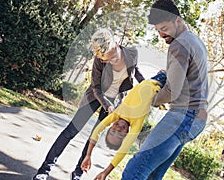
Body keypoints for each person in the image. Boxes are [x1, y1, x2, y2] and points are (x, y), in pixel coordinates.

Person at [32, 28, 145, 180]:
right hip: (95, 97)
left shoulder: (132, 54)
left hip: (115, 99)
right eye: (104, 60)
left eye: (109, 58)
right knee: (71, 131)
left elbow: (135, 71)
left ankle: (77, 174)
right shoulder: (99, 59)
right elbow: (96, 88)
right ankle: (43, 171)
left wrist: (147, 85)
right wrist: (107, 106)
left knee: (93, 137)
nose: (107, 61)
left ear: (116, 44)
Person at [121, 0, 209, 180]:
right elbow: (187, 77)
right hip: (195, 118)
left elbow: (171, 92)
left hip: (183, 116)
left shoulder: (179, 45)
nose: (161, 34)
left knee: (134, 171)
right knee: (153, 175)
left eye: (164, 28)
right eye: (158, 30)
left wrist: (148, 99)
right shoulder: (194, 41)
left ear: (178, 20)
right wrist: (169, 73)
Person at [81, 72, 167, 180]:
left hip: (153, 79)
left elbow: (97, 130)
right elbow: (123, 150)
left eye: (113, 131)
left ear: (110, 127)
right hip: (162, 83)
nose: (118, 129)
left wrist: (88, 155)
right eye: (120, 134)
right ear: (126, 133)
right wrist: (106, 172)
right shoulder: (136, 124)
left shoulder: (117, 114)